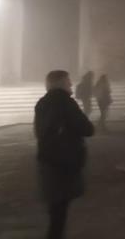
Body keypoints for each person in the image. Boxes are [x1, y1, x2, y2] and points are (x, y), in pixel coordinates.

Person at [35, 70, 95, 239]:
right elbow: (87, 129)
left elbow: (40, 132)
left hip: (47, 159)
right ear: (60, 83)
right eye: (68, 81)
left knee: (55, 208)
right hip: (65, 162)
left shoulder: (42, 103)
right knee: (59, 210)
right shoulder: (66, 103)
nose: (71, 84)